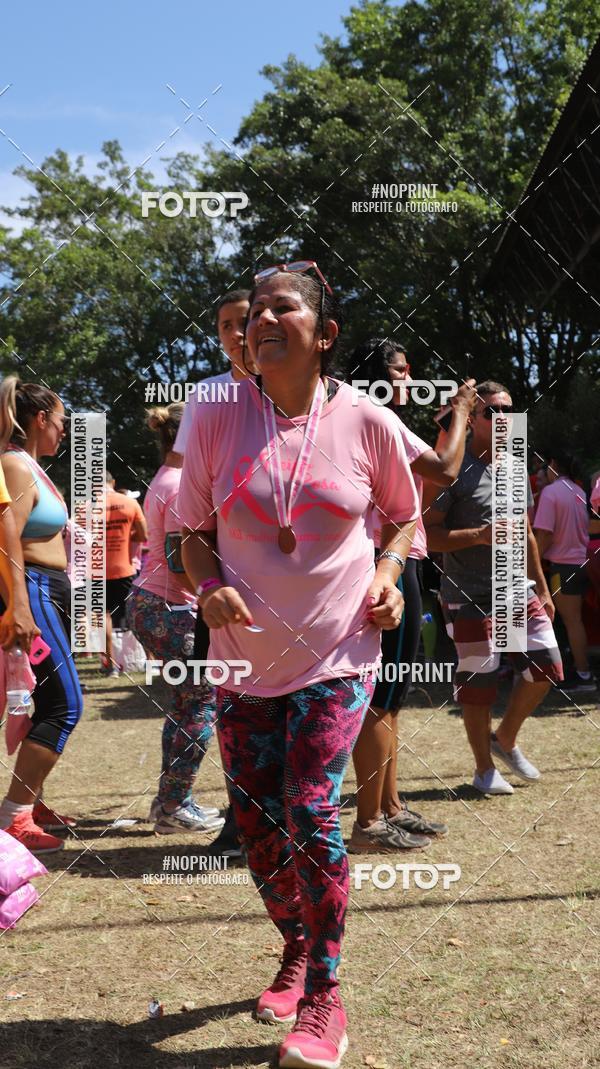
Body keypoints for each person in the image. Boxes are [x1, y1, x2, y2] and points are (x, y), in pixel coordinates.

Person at [178, 262, 419, 1069]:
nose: (263, 321)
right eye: (256, 312)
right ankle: (293, 943)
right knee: (256, 831)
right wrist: (207, 586)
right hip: (242, 661)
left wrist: (386, 578)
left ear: (325, 334)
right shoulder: (214, 414)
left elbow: (403, 516)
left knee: (310, 802)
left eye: (285, 308)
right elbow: (188, 532)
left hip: (337, 651)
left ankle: (324, 994)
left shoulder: (365, 419)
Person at [346, 338, 477, 853]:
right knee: (380, 695)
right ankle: (368, 822)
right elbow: (445, 468)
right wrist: (463, 413)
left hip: (404, 558)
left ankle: (389, 806)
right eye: (401, 371)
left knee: (393, 695)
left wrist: (451, 423)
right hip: (386, 563)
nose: (409, 378)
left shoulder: (378, 419)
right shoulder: (373, 415)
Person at [425, 381, 563, 795]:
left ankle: (504, 739)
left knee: (547, 667)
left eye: (509, 411)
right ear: (473, 418)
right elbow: (428, 535)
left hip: (516, 588)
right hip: (468, 596)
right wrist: (480, 535)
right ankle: (484, 770)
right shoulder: (450, 468)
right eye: (493, 413)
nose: (504, 420)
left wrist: (541, 586)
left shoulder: (514, 465)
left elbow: (526, 533)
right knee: (479, 686)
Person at [175, 289, 255, 860]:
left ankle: (285, 820)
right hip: (224, 583)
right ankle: (239, 822)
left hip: (295, 582)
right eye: (225, 325)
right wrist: (204, 580)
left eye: (244, 322)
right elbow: (192, 494)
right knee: (234, 704)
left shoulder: (300, 393)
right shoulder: (209, 396)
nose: (235, 333)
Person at [126, 404, 224, 835]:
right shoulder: (181, 483)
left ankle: (169, 801)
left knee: (186, 704)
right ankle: (174, 806)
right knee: (201, 703)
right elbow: (175, 558)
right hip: (170, 608)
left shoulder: (167, 477)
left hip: (155, 605)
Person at [0, 376, 84, 852]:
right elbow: (4, 531)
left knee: (50, 699)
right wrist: (19, 603)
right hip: (32, 587)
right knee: (65, 704)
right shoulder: (14, 463)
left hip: (46, 588)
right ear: (39, 420)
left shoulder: (29, 464)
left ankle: (31, 800)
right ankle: (14, 815)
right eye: (61, 422)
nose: (65, 432)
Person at [534, 453, 596, 693]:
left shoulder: (551, 493)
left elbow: (545, 534)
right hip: (580, 563)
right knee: (573, 622)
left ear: (554, 465)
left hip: (563, 566)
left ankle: (583, 675)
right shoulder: (578, 492)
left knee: (571, 623)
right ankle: (578, 671)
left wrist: (531, 563)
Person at [103, 471, 147, 676]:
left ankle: (110, 665)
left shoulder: (84, 508)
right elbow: (144, 534)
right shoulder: (129, 503)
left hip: (97, 571)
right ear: (113, 482)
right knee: (135, 613)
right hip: (124, 568)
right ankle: (149, 661)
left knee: (103, 618)